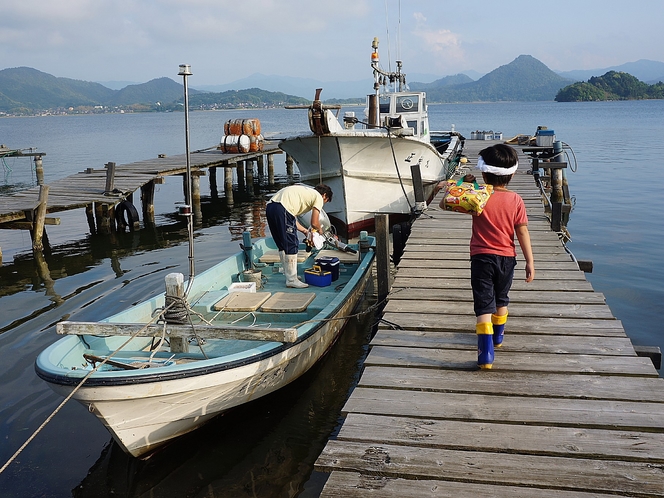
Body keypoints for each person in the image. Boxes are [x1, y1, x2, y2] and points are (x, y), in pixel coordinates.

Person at [440, 144, 534, 369]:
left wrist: (462, 185)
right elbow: (522, 231)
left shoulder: (477, 196)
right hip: (507, 258)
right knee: (501, 300)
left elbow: (446, 204)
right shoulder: (516, 200)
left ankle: (486, 357)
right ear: (512, 174)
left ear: (483, 173)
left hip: (481, 258)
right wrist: (530, 261)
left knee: (484, 306)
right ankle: (498, 338)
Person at [266, 184, 333, 288]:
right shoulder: (318, 197)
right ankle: (292, 279)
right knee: (292, 244)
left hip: (270, 207)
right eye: (325, 201)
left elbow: (290, 219)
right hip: (282, 208)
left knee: (282, 243)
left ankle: (289, 275)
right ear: (324, 196)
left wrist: (305, 231)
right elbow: (314, 222)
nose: (323, 204)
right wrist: (320, 231)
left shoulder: (304, 194)